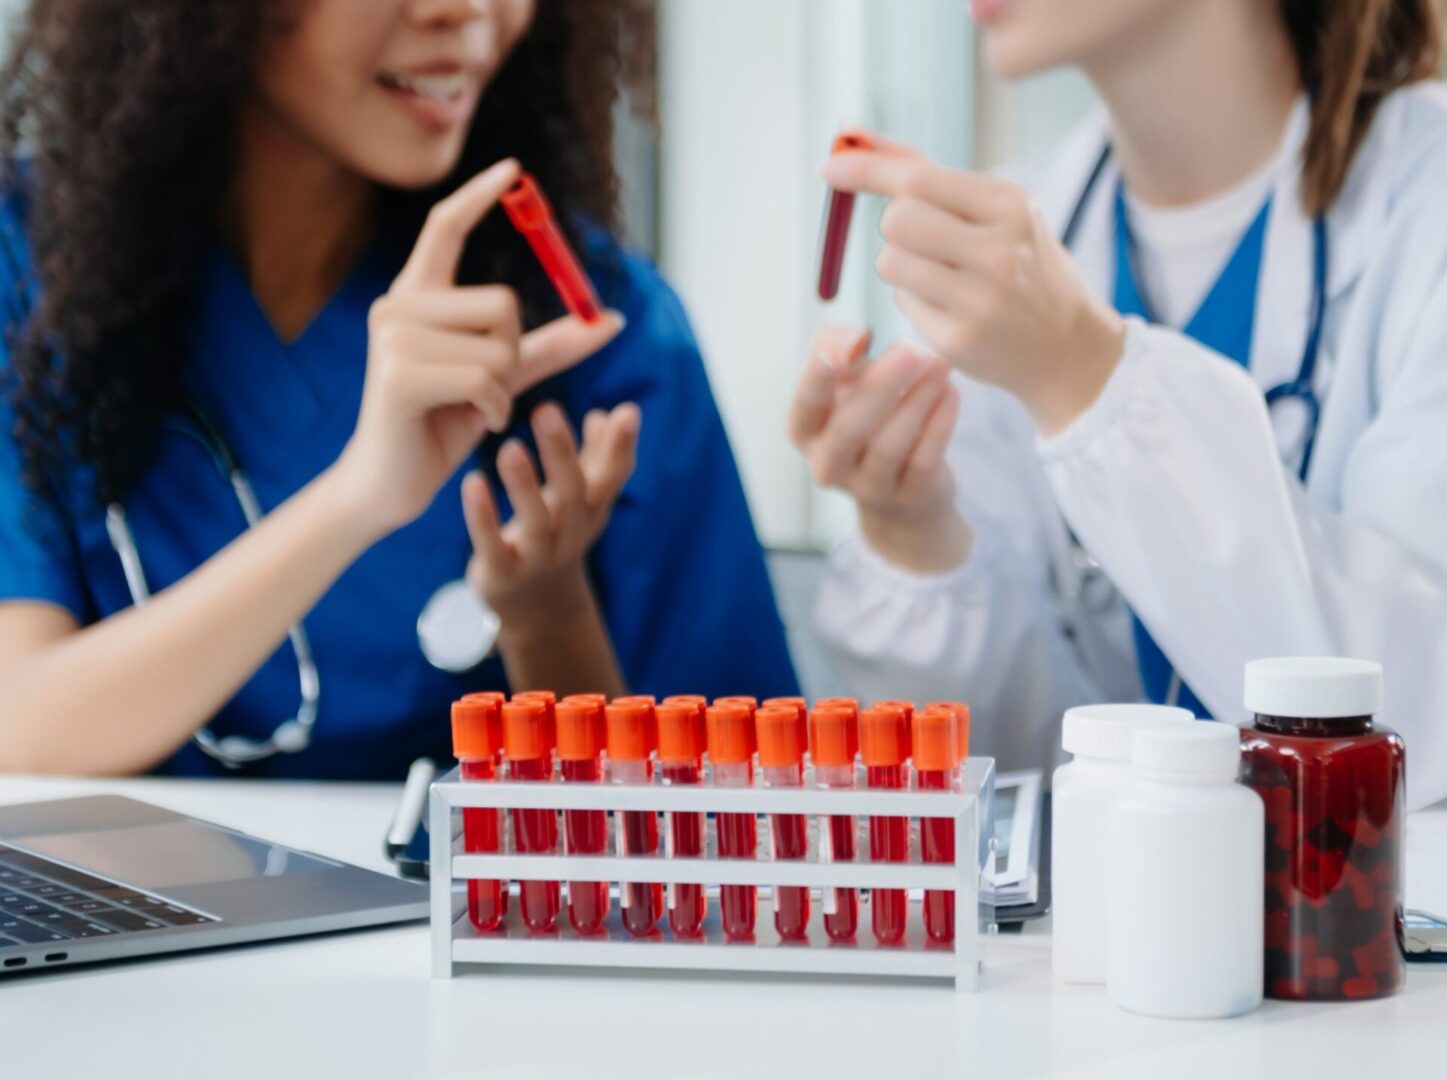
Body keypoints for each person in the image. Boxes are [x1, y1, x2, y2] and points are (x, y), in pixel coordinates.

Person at [0, 0, 796, 780]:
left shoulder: (605, 333)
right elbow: (19, 726)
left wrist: (544, 612)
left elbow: (735, 816)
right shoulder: (25, 265)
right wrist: (360, 496)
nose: (471, 12)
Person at [793, 0, 1447, 808]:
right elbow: (1017, 783)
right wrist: (913, 531)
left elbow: (1417, 726)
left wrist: (1083, 370)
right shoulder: (1022, 238)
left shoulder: (1425, 204)